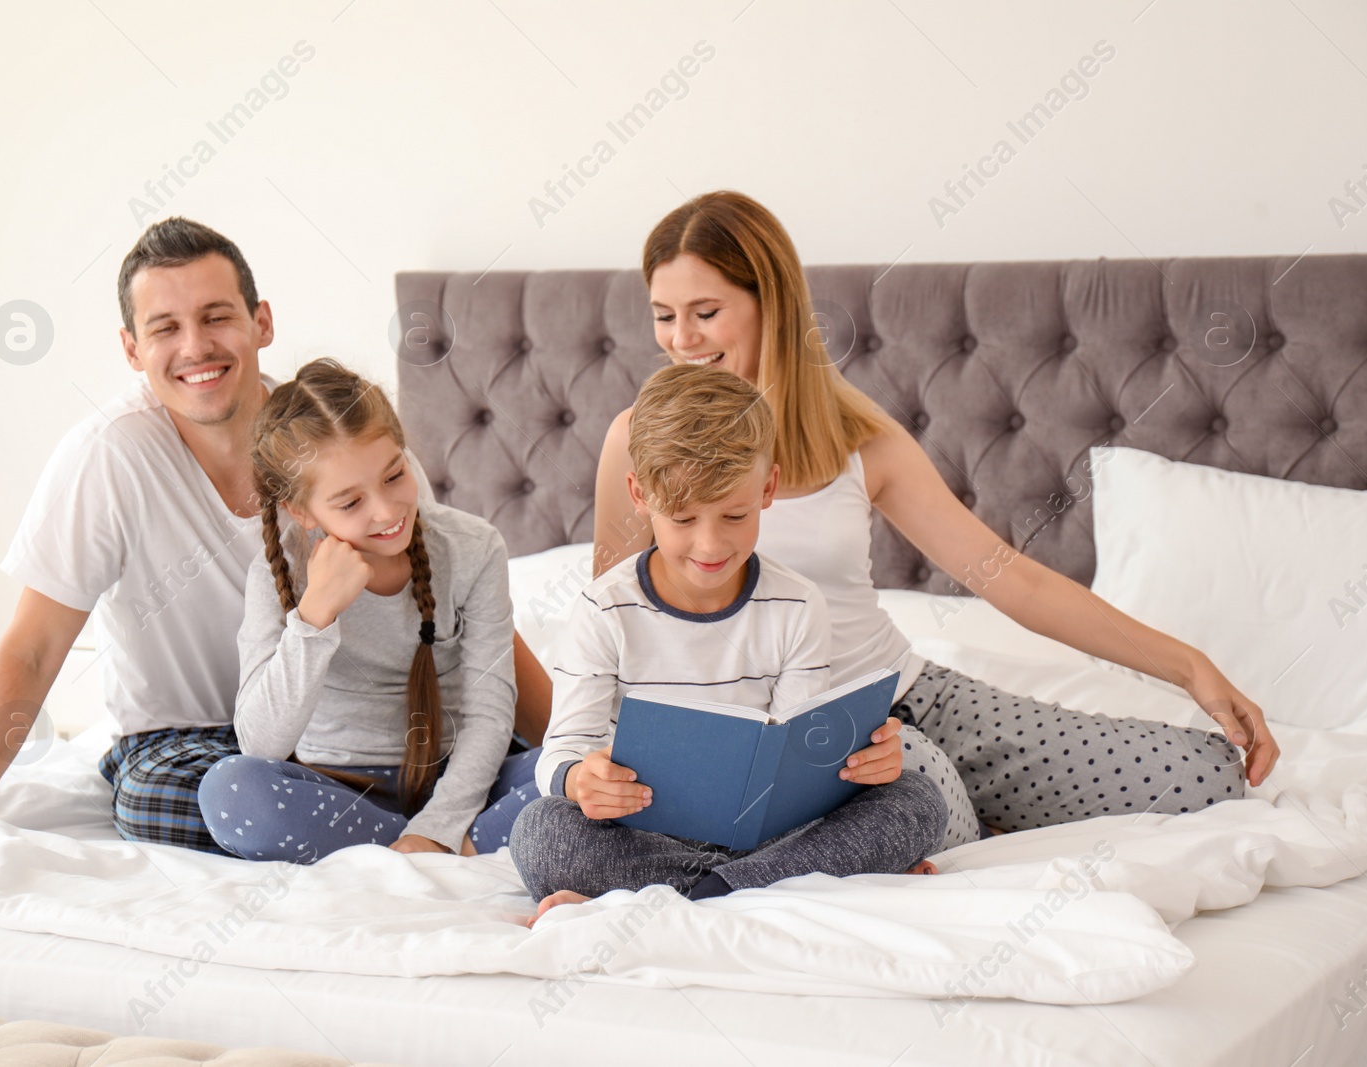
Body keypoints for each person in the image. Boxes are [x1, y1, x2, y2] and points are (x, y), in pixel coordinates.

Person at [587, 191, 1278, 835]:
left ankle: (996, 798)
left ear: (772, 303)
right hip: (795, 743)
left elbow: (1013, 580)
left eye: (705, 312)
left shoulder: (859, 441)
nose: (681, 339)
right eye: (663, 314)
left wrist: (1190, 667)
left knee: (1205, 781)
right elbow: (615, 627)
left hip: (905, 692)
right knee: (926, 798)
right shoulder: (634, 440)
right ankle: (957, 812)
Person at [0, 217, 552, 852]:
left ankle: (418, 837)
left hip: (399, 742)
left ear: (262, 322)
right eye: (165, 328)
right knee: (181, 797)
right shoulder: (107, 457)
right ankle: (441, 843)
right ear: (132, 349)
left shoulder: (357, 448)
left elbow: (467, 621)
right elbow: (30, 653)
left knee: (554, 776)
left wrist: (575, 747)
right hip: (201, 741)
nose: (195, 347)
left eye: (216, 316)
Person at [512, 365, 969, 919]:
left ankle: (693, 898)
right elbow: (560, 750)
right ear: (640, 494)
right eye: (682, 518)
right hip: (647, 835)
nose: (710, 544)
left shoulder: (798, 605)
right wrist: (579, 777)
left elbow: (801, 751)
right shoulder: (604, 610)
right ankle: (757, 891)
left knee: (915, 799)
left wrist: (859, 762)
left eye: (734, 514)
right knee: (541, 830)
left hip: (770, 835)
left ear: (768, 488)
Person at [197, 360, 538, 860]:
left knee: (578, 767)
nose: (386, 511)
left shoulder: (474, 548)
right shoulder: (278, 577)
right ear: (302, 510)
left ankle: (423, 846)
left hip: (463, 784)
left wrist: (440, 822)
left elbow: (490, 714)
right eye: (350, 502)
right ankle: (446, 850)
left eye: (394, 475)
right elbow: (261, 743)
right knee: (230, 790)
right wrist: (315, 617)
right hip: (342, 788)